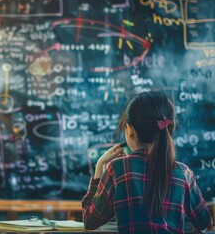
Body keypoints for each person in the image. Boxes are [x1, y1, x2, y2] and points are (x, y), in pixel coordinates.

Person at [82, 91, 213, 233]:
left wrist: (99, 167)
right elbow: (205, 224)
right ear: (169, 127)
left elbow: (90, 221)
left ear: (130, 130)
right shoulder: (184, 173)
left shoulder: (117, 169)